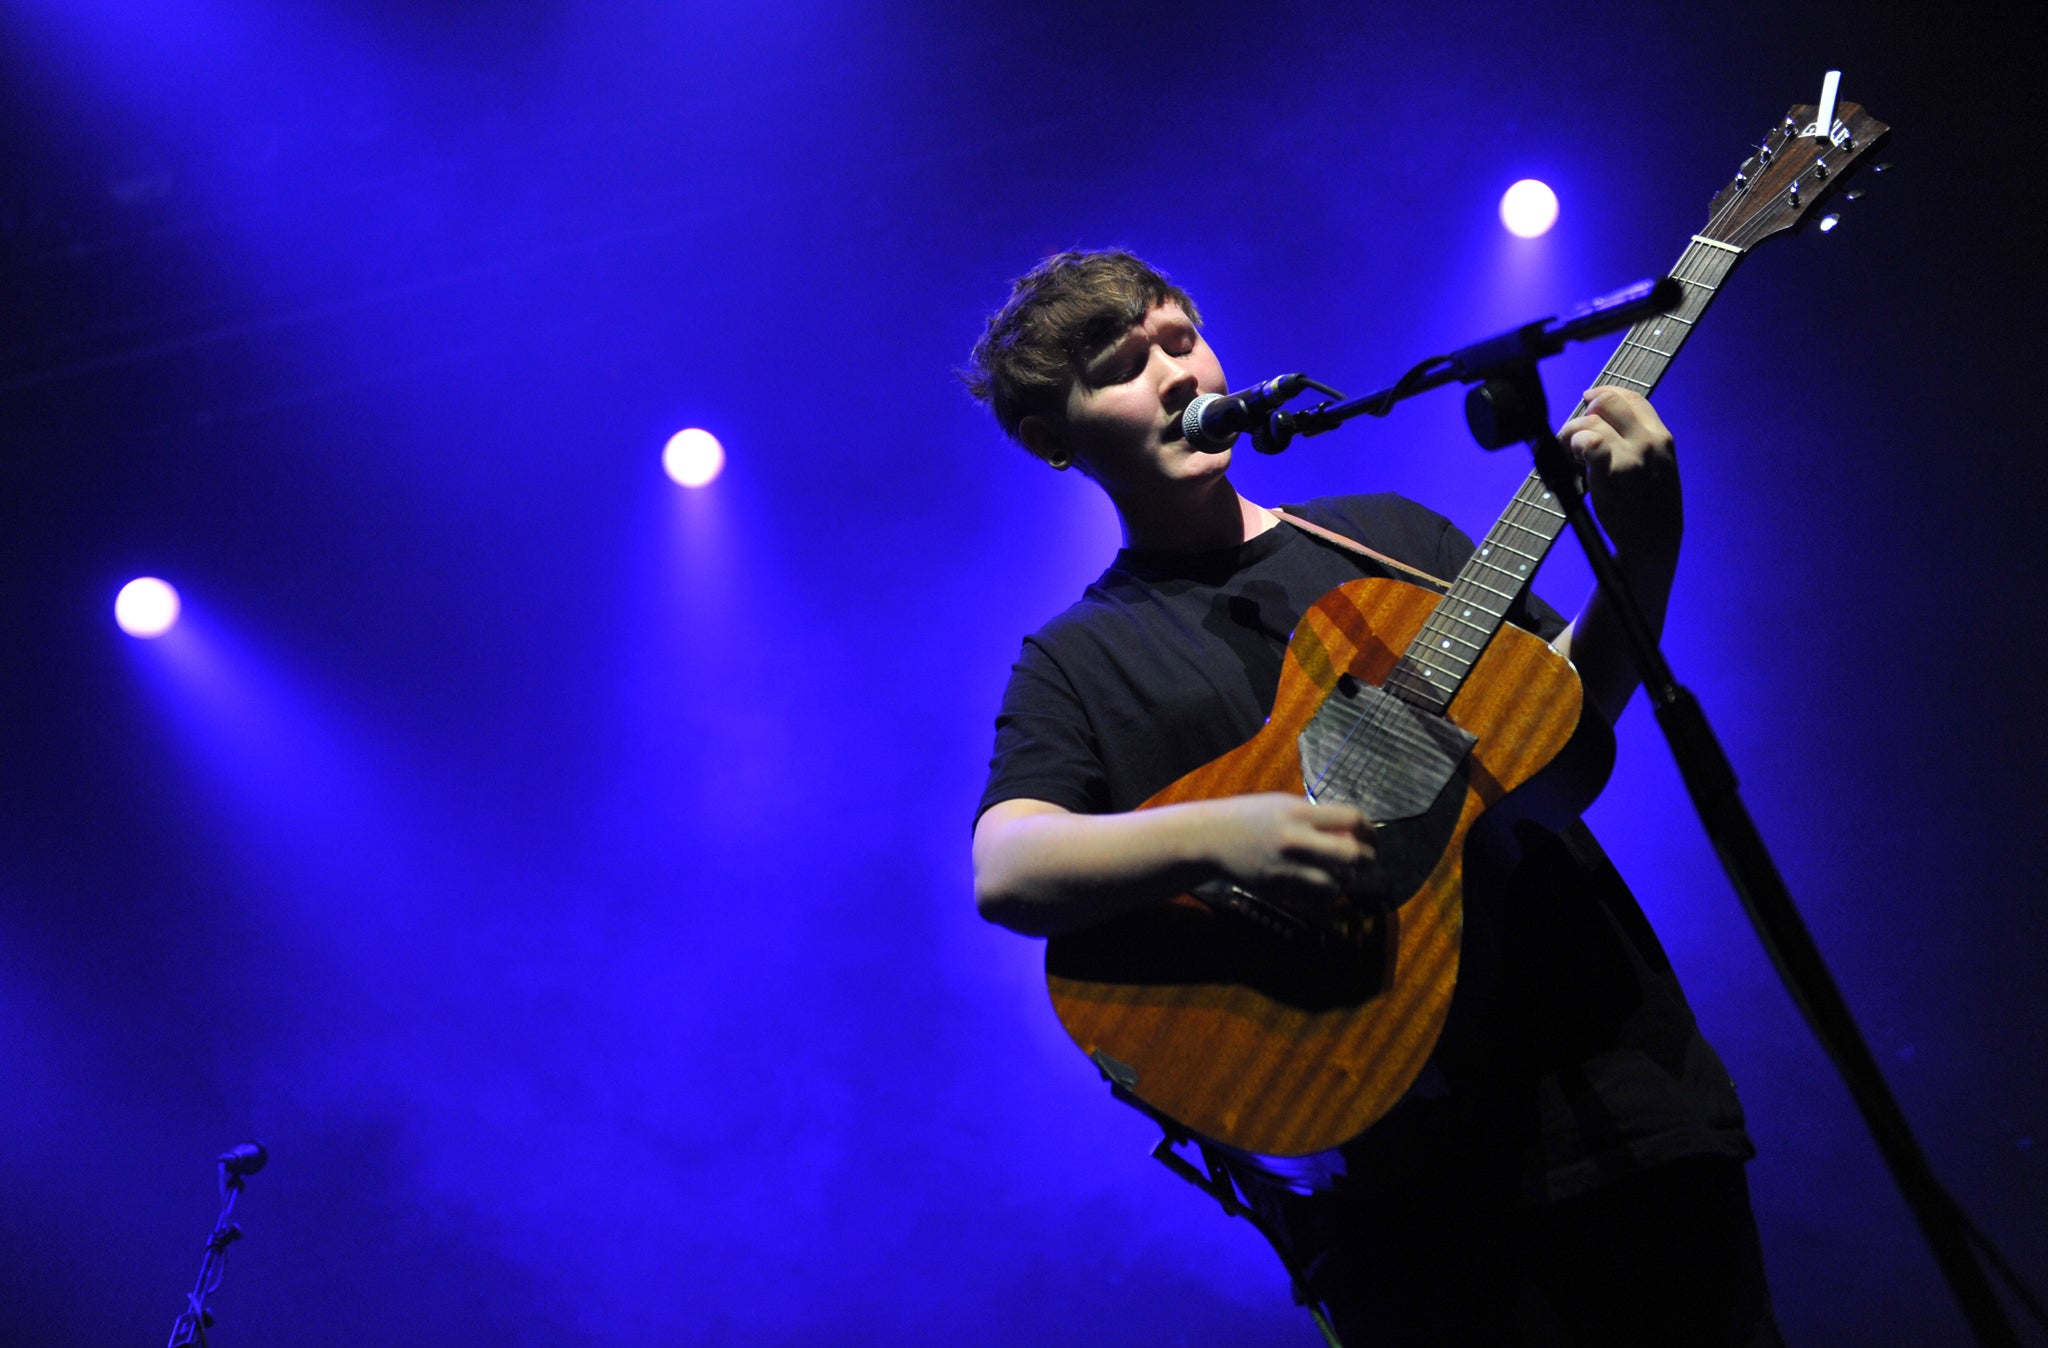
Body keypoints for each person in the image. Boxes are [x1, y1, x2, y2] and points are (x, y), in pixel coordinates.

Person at [963, 249, 1778, 1345]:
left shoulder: (1384, 538)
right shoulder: (1078, 658)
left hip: (1617, 1084)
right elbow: (1009, 866)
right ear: (1055, 439)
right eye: (1120, 366)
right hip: (1402, 1179)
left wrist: (1646, 544)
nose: (1173, 372)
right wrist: (1222, 834)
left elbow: (1562, 730)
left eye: (1180, 338)